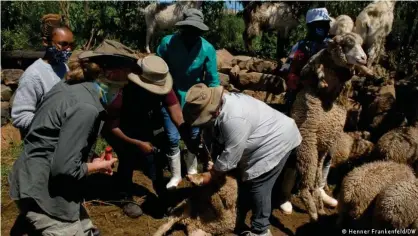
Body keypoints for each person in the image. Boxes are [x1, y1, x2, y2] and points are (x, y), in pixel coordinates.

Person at [8, 40, 140, 236]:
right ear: (111, 74)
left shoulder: (69, 86)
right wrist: (97, 166)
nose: (125, 86)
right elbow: (64, 168)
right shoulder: (87, 107)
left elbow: (57, 139)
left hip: (31, 176)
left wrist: (88, 159)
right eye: (123, 83)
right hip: (42, 191)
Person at [182, 83, 302, 236]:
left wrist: (211, 174)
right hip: (264, 134)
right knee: (245, 181)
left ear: (213, 110)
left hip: (277, 141)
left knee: (259, 185)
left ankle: (261, 229)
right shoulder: (223, 106)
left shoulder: (234, 119)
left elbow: (231, 156)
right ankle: (240, 214)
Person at [100, 50, 193, 218]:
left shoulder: (160, 82)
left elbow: (176, 111)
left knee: (154, 159)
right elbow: (111, 127)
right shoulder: (120, 91)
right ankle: (125, 196)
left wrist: (186, 134)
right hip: (117, 127)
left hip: (142, 122)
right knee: (127, 156)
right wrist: (137, 143)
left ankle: (164, 198)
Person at [277, 8, 337, 215]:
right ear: (310, 27)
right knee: (297, 147)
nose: (321, 29)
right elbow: (286, 69)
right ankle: (284, 194)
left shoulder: (334, 46)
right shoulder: (301, 47)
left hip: (327, 104)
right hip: (302, 103)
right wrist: (297, 80)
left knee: (326, 149)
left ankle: (318, 187)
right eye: (317, 25)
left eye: (324, 25)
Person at [156, 8, 220, 190]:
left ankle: (191, 170)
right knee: (172, 136)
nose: (192, 34)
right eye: (189, 29)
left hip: (196, 99)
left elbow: (213, 80)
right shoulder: (167, 43)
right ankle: (175, 175)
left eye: (196, 30)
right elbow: (159, 69)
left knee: (193, 136)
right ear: (182, 28)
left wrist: (214, 103)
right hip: (171, 94)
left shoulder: (207, 48)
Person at [11, 14, 75, 137]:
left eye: (71, 45)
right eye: (63, 44)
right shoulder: (33, 75)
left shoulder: (64, 67)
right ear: (46, 42)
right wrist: (53, 124)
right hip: (42, 146)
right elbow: (20, 117)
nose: (68, 49)